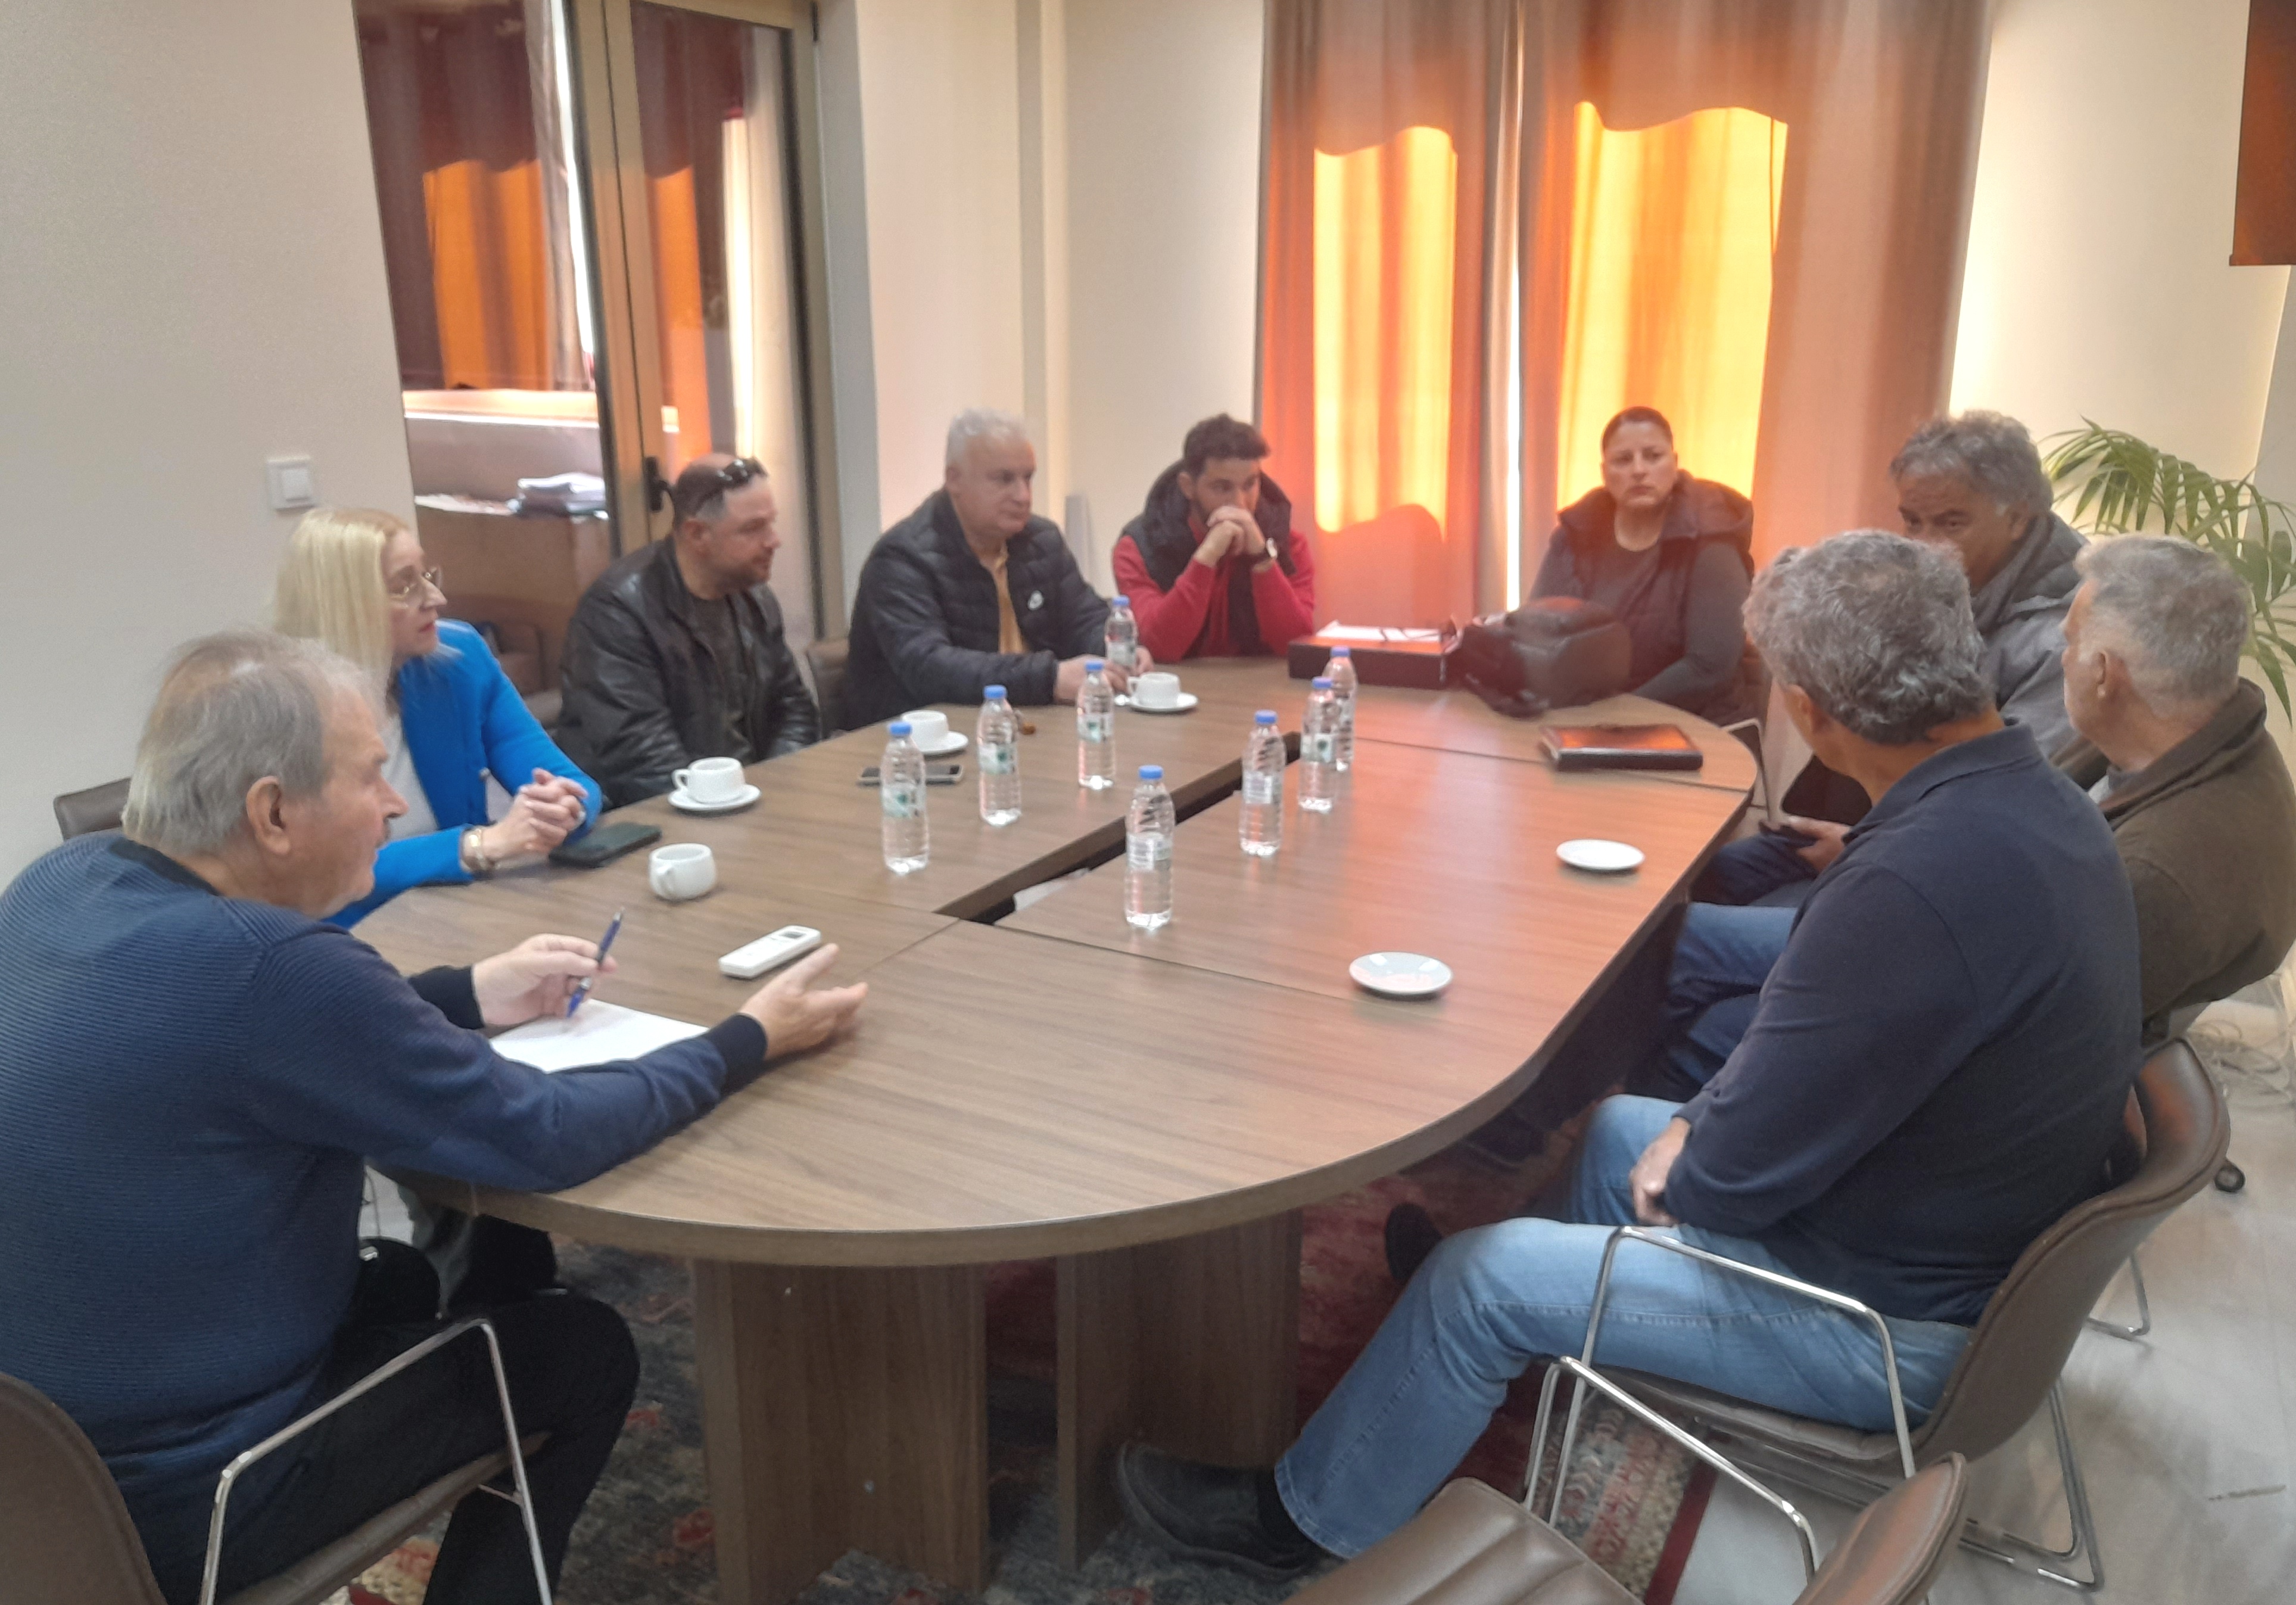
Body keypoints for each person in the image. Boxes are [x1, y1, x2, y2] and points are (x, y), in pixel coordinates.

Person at [1113, 531, 2139, 1575]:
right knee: (1616, 1130)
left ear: (1811, 709)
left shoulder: (1914, 885)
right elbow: (1805, 1079)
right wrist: (1694, 1126)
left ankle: (1303, 1520)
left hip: (1881, 1322)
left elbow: (1731, 1182)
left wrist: (1694, 1146)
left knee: (1481, 1279)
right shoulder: (2032, 800)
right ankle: (1511, 1343)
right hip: (1935, 1241)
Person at [0, 630, 866, 1604]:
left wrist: (469, 990)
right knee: (580, 1352)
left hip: (33, 1477)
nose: (393, 803)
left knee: (403, 1278)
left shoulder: (55, 886)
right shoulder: (278, 969)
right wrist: (745, 1038)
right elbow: (544, 1133)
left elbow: (255, 1037)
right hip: (188, 1502)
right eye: (370, 775)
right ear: (274, 813)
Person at [1654, 535, 2296, 1098]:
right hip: (1956, 907)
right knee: (1716, 905)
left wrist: (1885, 888)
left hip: (1944, 980)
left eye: (2069, 641)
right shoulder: (2174, 737)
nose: (2061, 658)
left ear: (2105, 674)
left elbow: (1994, 1024)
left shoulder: (2159, 876)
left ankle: (1645, 1133)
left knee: (1687, 967)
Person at [1698, 409, 2086, 906]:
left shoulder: (2063, 637)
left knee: (1686, 938)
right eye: (1911, 521)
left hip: (1930, 868)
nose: (1925, 546)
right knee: (1690, 880)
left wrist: (1864, 847)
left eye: (1950, 523)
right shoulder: (1939, 579)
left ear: (2017, 517)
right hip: (1864, 827)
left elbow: (2003, 799)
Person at [275, 508, 603, 926]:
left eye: (427, 576)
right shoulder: (282, 708)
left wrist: (563, 810)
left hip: (459, 914)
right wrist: (477, 845)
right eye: (404, 586)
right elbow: (314, 875)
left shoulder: (459, 659)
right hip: (343, 935)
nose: (435, 599)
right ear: (343, 604)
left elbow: (569, 781)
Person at [844, 409, 1149, 727]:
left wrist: (1119, 652)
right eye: (1004, 479)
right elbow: (931, 668)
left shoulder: (1041, 540)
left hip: (1027, 724)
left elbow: (1083, 618)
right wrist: (1050, 679)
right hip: (923, 738)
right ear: (954, 479)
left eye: (1028, 478)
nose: (1023, 496)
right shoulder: (902, 558)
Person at [556, 453, 821, 806]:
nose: (774, 540)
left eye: (771, 524)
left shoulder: (753, 597)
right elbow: (643, 760)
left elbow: (794, 708)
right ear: (697, 534)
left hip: (745, 797)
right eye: (753, 528)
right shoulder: (619, 610)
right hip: (655, 813)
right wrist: (737, 806)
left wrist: (777, 787)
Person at [1529, 406, 1754, 719]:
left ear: (1674, 463)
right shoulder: (1576, 534)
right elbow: (1537, 634)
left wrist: (1611, 716)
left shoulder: (1711, 537)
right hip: (1586, 716)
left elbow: (1710, 667)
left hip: (1696, 725)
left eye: (1653, 457)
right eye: (1623, 460)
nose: (1638, 470)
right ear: (1604, 472)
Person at [1111, 413, 1317, 660]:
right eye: (1222, 488)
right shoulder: (1138, 549)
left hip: (1261, 683)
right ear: (1188, 487)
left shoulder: (1288, 544)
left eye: (1250, 485)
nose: (1239, 504)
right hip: (1177, 683)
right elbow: (1159, 647)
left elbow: (1294, 646)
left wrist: (1262, 560)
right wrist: (1206, 557)